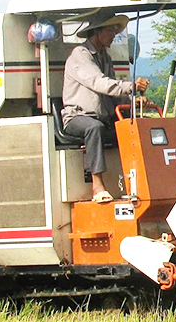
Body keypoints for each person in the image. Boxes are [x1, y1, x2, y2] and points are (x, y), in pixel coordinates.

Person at [61, 13, 149, 202]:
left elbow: (111, 94)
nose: (113, 35)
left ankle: (138, 182)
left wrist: (132, 103)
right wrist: (131, 86)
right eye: (110, 30)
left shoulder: (105, 58)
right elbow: (99, 83)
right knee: (94, 128)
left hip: (101, 116)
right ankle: (97, 186)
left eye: (116, 31)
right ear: (96, 31)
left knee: (133, 126)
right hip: (76, 116)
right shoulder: (80, 55)